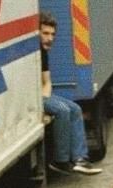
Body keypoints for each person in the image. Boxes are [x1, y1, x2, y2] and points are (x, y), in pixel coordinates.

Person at [39, 11, 102, 176]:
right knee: (62, 110)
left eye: (52, 34)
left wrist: (45, 100)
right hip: (29, 98)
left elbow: (47, 81)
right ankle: (60, 161)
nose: (50, 38)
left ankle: (80, 159)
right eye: (45, 33)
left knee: (75, 108)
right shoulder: (30, 53)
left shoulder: (43, 53)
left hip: (41, 96)